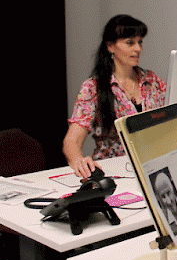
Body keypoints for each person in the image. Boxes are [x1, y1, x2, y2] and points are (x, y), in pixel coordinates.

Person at [63, 15, 166, 178]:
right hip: (114, 172)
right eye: (130, 42)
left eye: (140, 42)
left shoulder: (153, 81)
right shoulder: (93, 87)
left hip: (152, 169)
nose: (138, 48)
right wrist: (78, 161)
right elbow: (72, 141)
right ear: (110, 46)